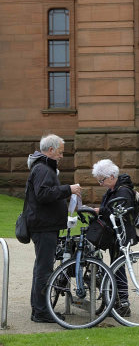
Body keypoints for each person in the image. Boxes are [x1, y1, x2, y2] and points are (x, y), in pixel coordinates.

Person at [26, 134, 81, 323]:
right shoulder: (43, 169)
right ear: (51, 150)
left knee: (42, 268)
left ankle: (39, 309)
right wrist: (69, 189)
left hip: (44, 225)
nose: (61, 156)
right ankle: (41, 312)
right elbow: (43, 194)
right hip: (43, 227)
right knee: (44, 269)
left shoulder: (43, 168)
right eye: (60, 152)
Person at [92, 159, 137, 317]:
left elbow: (119, 212)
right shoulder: (114, 189)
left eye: (101, 180)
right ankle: (116, 301)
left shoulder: (122, 190)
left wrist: (100, 210)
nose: (100, 183)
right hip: (115, 233)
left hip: (122, 234)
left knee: (118, 268)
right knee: (116, 266)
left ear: (111, 176)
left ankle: (123, 303)